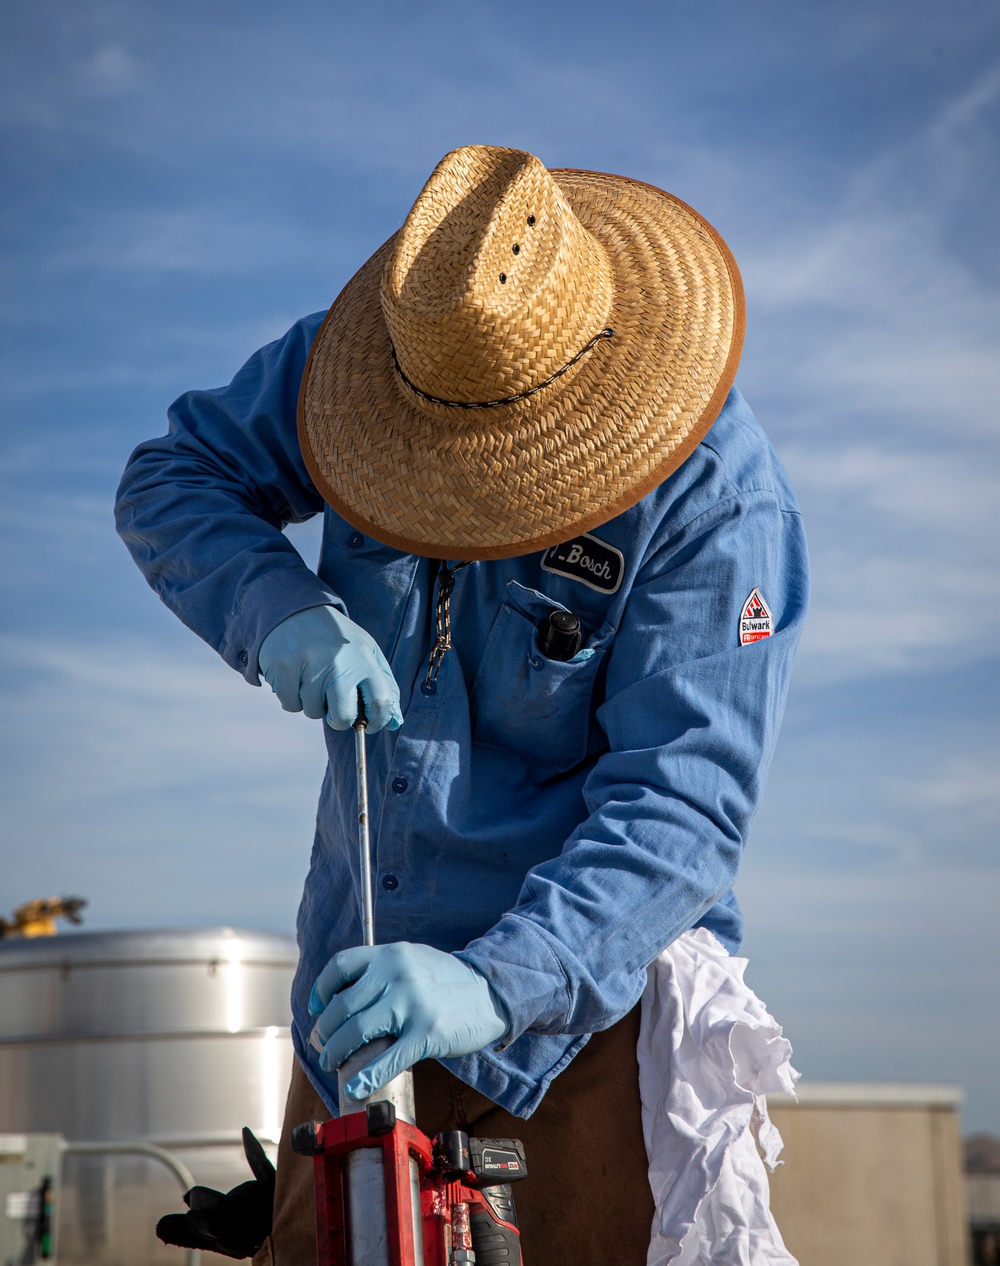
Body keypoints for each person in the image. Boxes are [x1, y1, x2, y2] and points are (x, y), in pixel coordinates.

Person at [116, 145, 808, 1265]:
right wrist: (273, 604)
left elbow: (682, 807)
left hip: (588, 1017)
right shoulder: (363, 359)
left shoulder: (715, 496)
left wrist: (499, 983)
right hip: (356, 994)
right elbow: (172, 477)